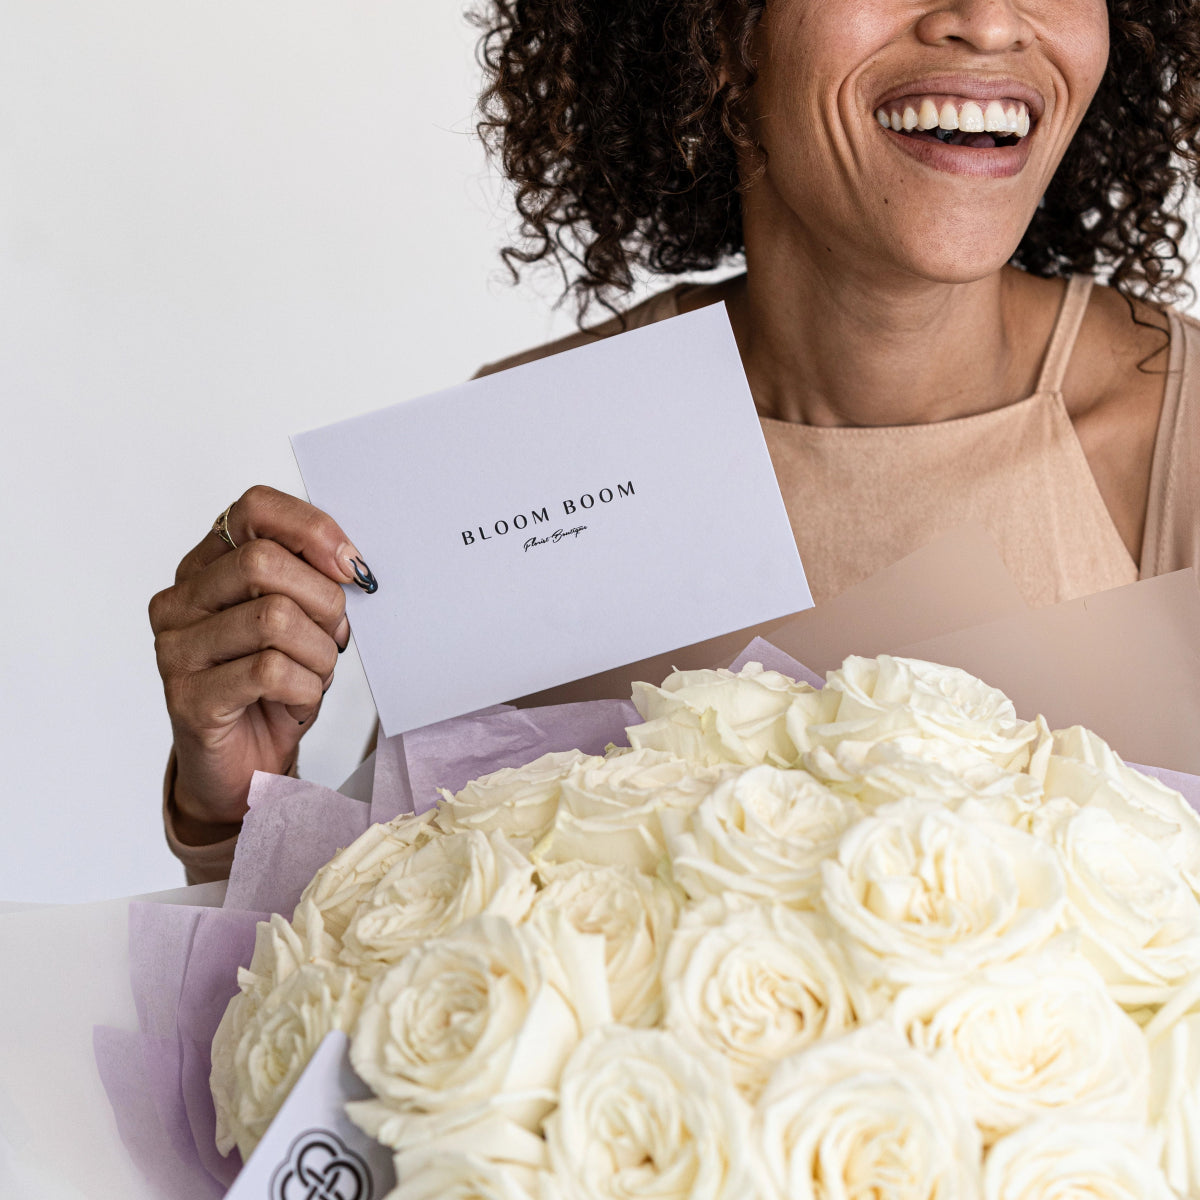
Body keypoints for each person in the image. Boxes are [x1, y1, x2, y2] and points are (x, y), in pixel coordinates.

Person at [149, 0, 1200, 881]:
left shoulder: (1179, 432)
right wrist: (240, 806)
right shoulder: (525, 458)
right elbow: (388, 974)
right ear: (722, 39)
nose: (983, 20)